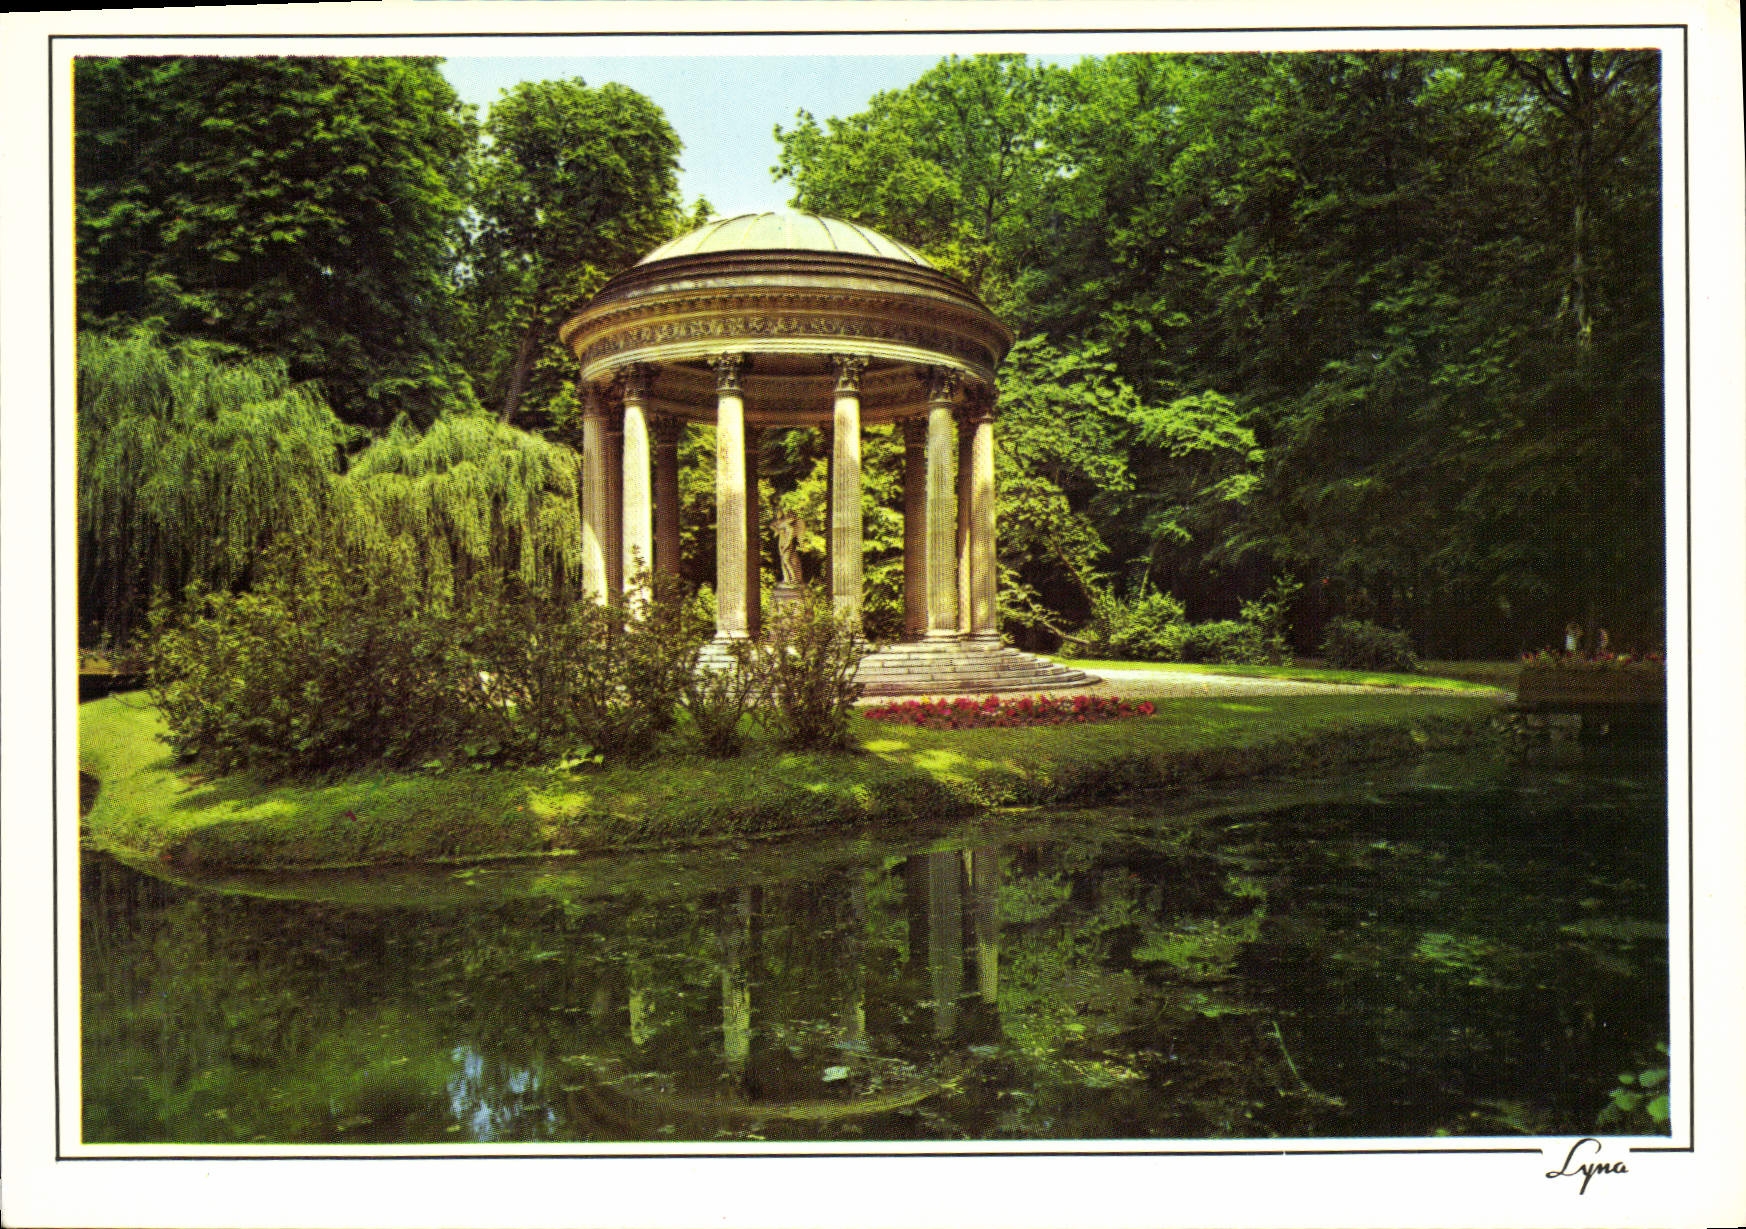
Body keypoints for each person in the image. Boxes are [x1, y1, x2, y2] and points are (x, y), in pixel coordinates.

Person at [774, 508, 805, 586]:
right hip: (783, 546)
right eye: (788, 518)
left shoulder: (791, 528)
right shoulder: (785, 527)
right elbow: (776, 527)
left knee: (787, 561)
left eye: (790, 518)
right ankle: (790, 579)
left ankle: (794, 578)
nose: (788, 520)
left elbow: (788, 541)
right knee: (785, 562)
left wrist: (783, 549)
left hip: (788, 547)